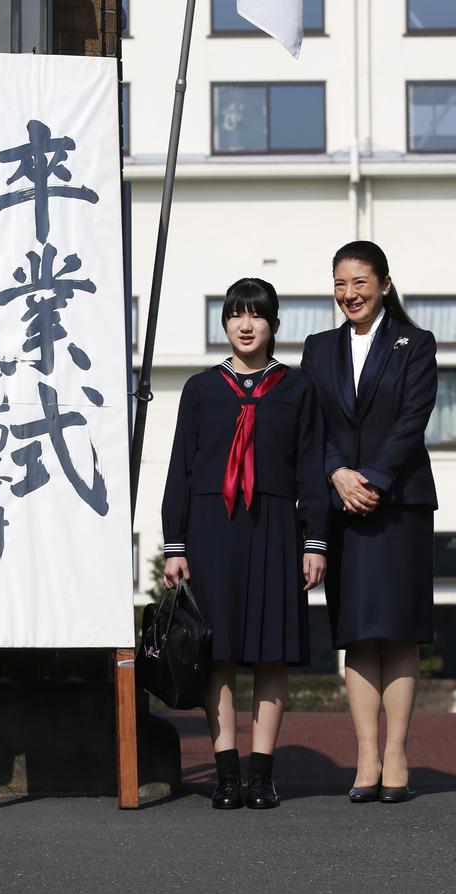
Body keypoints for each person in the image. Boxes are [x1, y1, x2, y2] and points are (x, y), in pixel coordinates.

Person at [162, 277, 328, 810]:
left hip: (276, 525)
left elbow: (310, 469)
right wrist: (174, 545)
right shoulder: (200, 389)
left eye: (256, 315)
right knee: (219, 655)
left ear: (274, 325)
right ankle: (227, 775)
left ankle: (262, 776)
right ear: (225, 324)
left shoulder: (298, 389)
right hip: (211, 529)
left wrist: (315, 541)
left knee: (271, 654)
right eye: (236, 314)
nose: (246, 324)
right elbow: (180, 469)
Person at [301, 240, 437, 804]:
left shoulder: (416, 343)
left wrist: (374, 478)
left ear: (384, 283)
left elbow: (413, 418)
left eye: (359, 282)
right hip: (344, 508)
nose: (349, 294)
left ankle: (397, 753)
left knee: (398, 631)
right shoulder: (318, 348)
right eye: (340, 283)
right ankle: (365, 757)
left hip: (398, 504)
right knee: (356, 633)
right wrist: (338, 475)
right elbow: (312, 423)